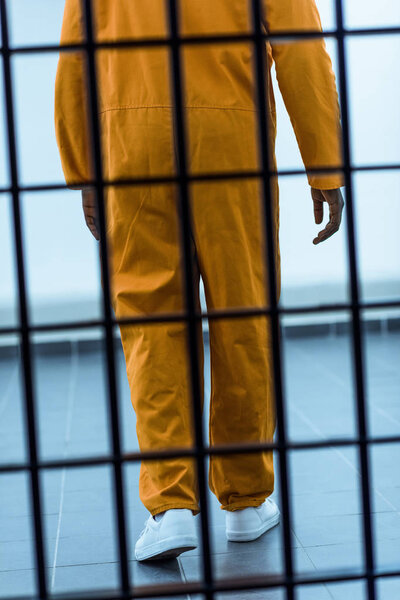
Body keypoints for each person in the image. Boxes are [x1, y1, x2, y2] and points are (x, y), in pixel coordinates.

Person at [54, 0, 345, 561]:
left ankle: (170, 508)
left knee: (150, 319)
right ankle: (244, 500)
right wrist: (324, 165)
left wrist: (83, 166)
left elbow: (73, 51)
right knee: (243, 311)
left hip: (131, 135)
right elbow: (300, 44)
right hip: (229, 132)